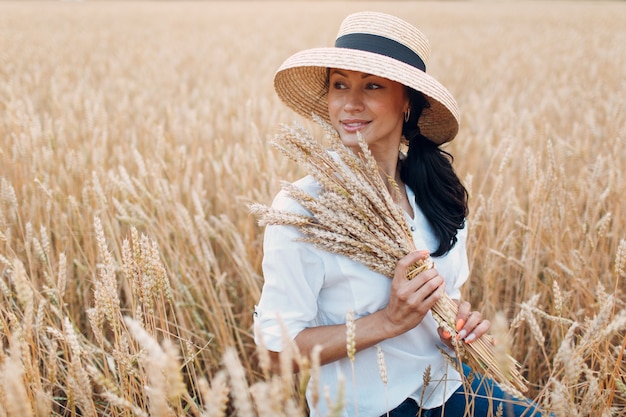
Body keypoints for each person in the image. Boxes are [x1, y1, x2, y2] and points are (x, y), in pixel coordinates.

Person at [254, 11, 547, 417]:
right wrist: (389, 322)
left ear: (407, 100)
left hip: (449, 388)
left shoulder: (435, 193)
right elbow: (275, 352)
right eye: (340, 85)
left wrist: (458, 326)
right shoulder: (304, 208)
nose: (350, 103)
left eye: (372, 86)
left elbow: (447, 303)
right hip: (371, 407)